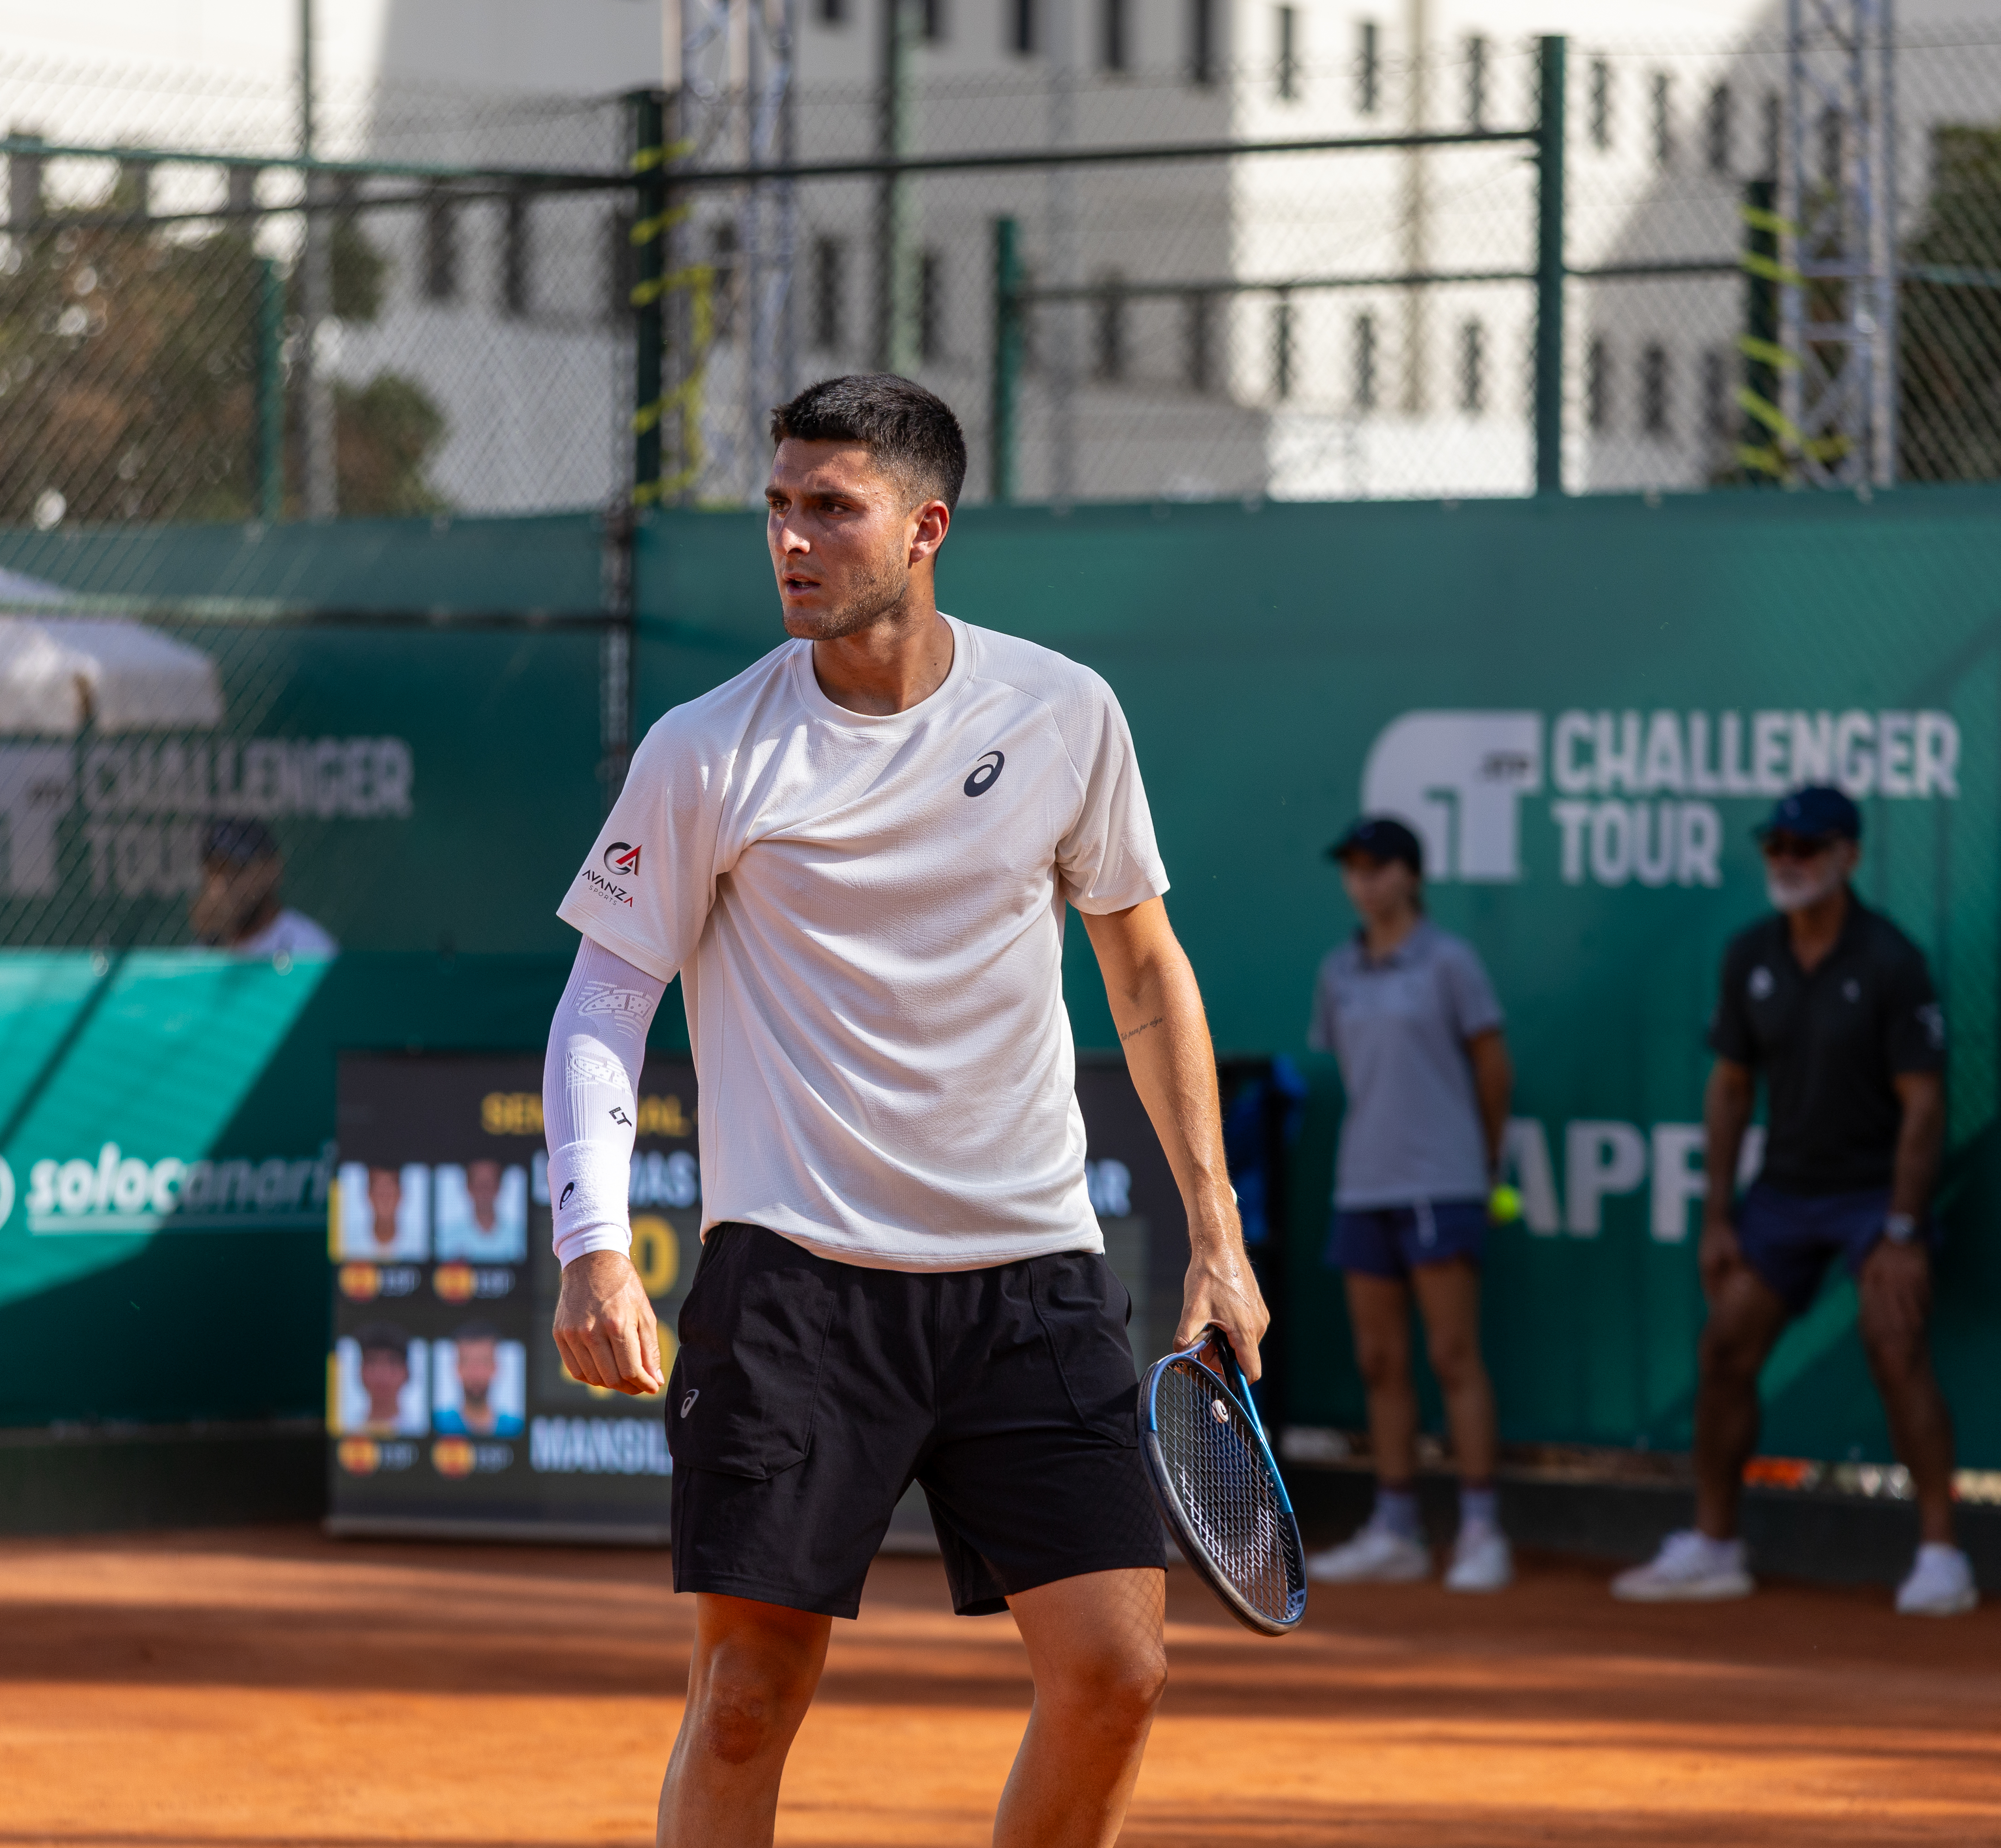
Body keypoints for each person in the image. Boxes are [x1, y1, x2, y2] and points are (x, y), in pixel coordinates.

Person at [539, 374, 1266, 1848]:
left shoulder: (1062, 712)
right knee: (745, 1693)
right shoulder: (705, 747)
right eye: (777, 507)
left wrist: (1214, 1230)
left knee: (1116, 1671)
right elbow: (605, 1003)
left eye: (831, 507)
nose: (792, 540)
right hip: (794, 1287)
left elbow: (1142, 974)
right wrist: (594, 1242)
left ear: (924, 527)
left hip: (1033, 1283)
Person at [1613, 785, 1974, 1617]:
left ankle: (1941, 1552)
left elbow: (1925, 1104)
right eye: (1776, 846)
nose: (1787, 861)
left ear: (1848, 857)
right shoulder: (1750, 957)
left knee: (1895, 1342)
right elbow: (1732, 1090)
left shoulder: (1891, 961)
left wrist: (1904, 1229)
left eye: (1806, 848)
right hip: (1785, 1194)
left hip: (1874, 1196)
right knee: (1725, 1346)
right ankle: (1714, 1544)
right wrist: (1715, 1220)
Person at [1301, 817, 1516, 1594]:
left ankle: (1483, 1528)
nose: (1364, 881)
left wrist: (1479, 1163)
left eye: (1379, 867)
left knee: (1453, 1356)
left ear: (1411, 877)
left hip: (1444, 1183)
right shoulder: (1340, 972)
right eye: (1353, 867)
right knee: (1379, 1360)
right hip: (1365, 1185)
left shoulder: (1451, 963)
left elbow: (1494, 1068)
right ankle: (1397, 1528)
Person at [190, 818, 337, 956]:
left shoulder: (309, 948)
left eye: (236, 869)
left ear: (272, 869)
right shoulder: (200, 957)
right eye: (214, 871)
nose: (222, 885)